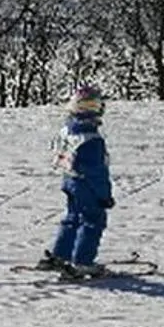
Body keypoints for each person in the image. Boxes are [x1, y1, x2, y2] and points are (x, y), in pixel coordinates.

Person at [39, 85, 115, 278]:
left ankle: (60, 254)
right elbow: (97, 173)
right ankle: (82, 262)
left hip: (70, 181)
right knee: (92, 221)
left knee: (72, 218)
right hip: (86, 186)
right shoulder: (92, 140)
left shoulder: (68, 130)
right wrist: (104, 196)